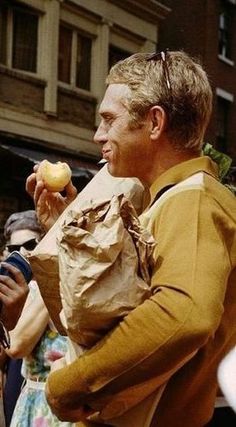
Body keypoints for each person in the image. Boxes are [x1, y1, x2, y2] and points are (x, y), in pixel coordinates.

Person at [26, 50, 236, 427]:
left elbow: (185, 314)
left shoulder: (194, 199)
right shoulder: (165, 200)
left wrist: (70, 386)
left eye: (109, 119)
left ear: (155, 122)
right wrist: (67, 235)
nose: (98, 135)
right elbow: (88, 322)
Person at [1, 210, 74, 427]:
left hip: (64, 402)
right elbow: (14, 347)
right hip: (31, 395)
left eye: (31, 245)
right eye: (14, 249)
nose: (23, 253)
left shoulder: (70, 281)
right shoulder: (18, 290)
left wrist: (51, 272)